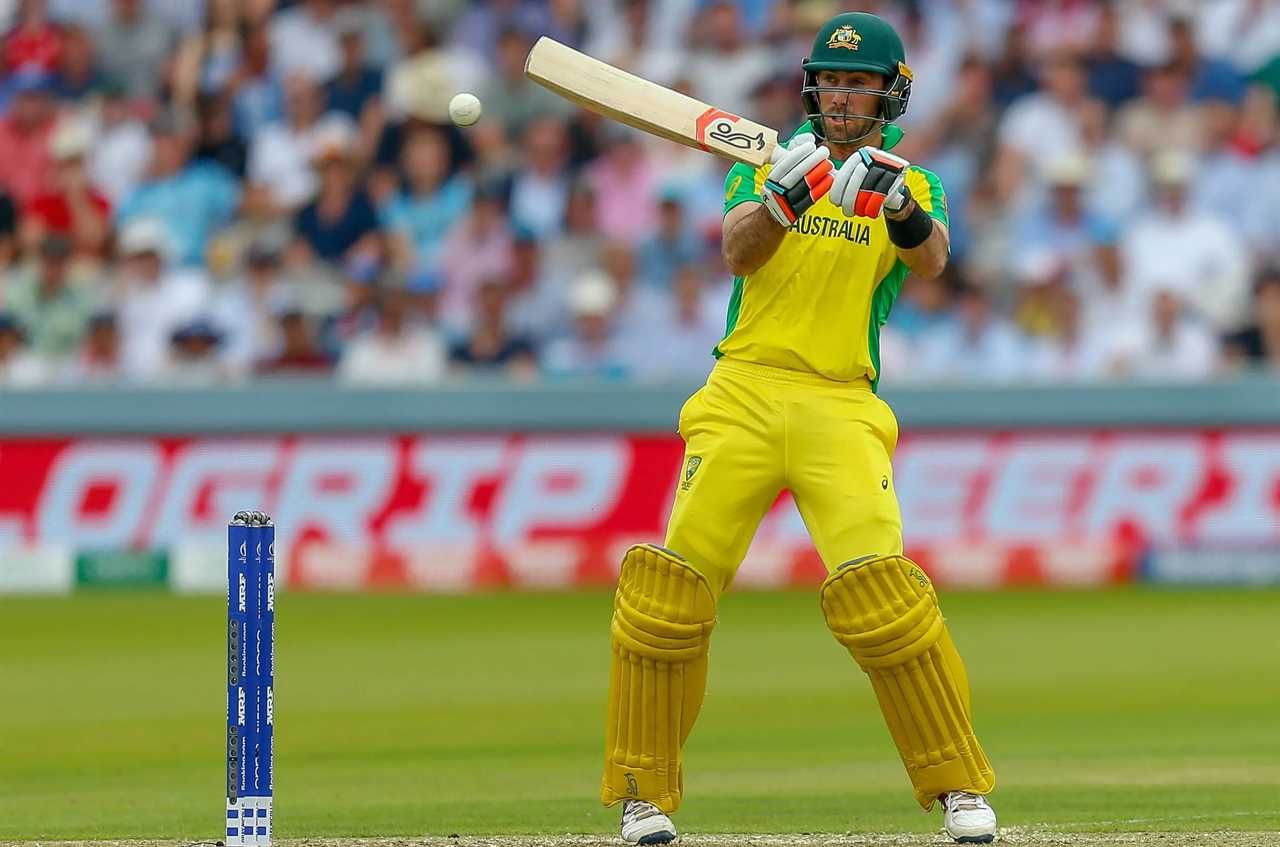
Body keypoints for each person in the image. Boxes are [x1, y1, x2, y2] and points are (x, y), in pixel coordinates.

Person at [600, 14, 996, 847]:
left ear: (889, 95)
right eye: (830, 81)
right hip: (742, 389)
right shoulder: (767, 162)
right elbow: (738, 255)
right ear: (811, 88)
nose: (840, 95)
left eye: (857, 83)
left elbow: (935, 262)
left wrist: (897, 211)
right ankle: (643, 794)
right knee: (667, 597)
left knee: (885, 598)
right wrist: (785, 197)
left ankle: (958, 787)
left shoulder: (912, 183)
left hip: (842, 403)